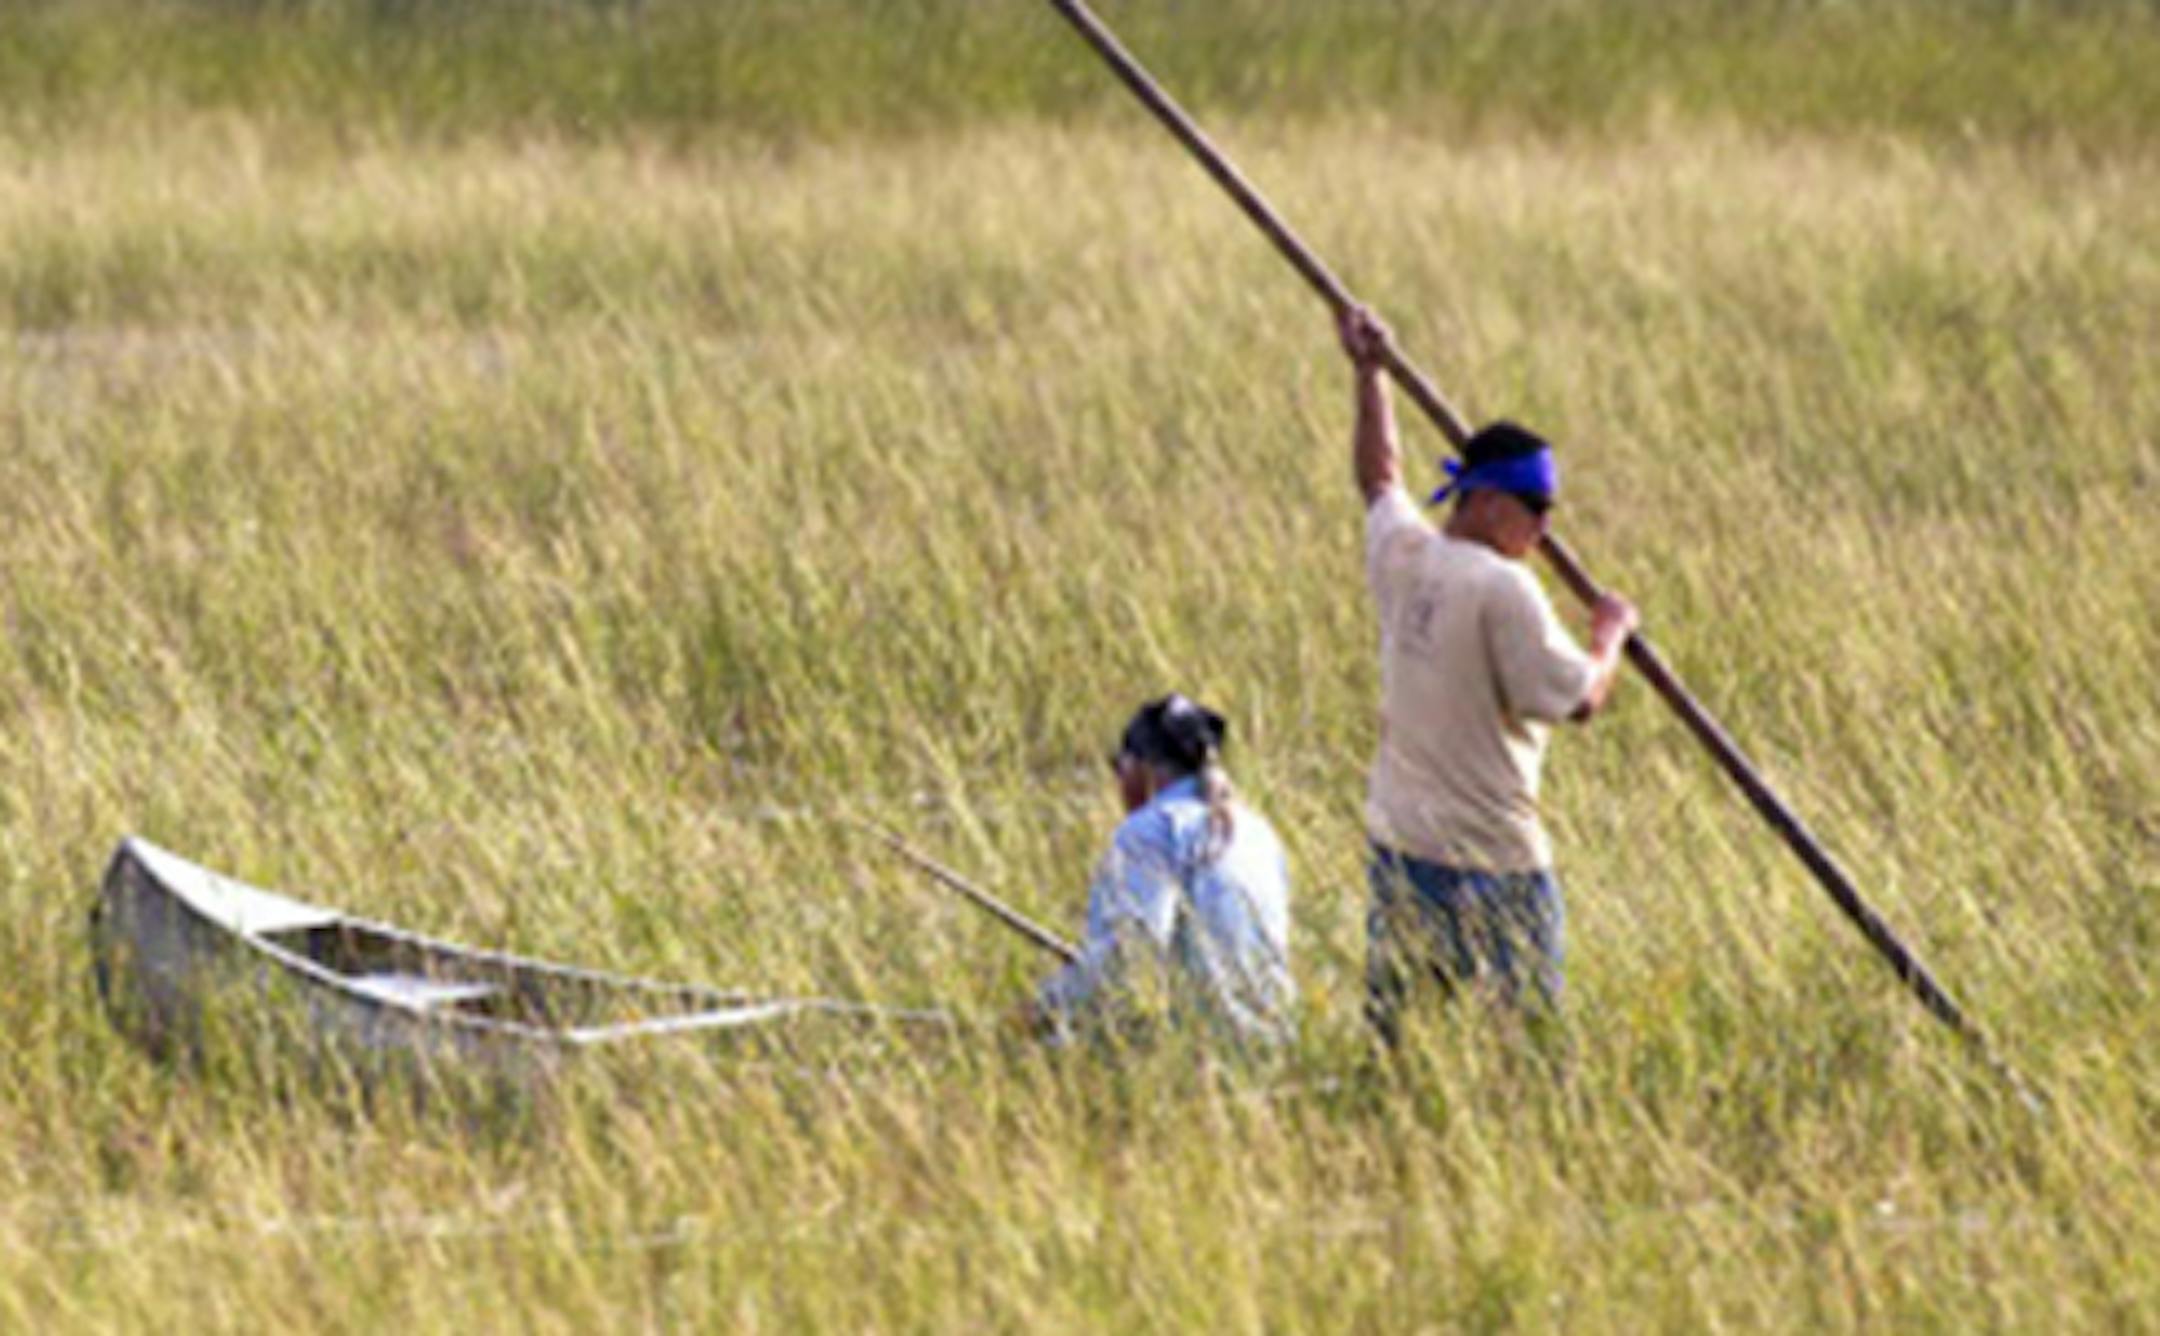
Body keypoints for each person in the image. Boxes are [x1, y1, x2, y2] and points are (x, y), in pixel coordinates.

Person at [1337, 305, 1638, 1046]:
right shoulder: (1504, 586)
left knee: (1398, 1046)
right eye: (1535, 509)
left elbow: (1380, 477)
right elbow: (1581, 700)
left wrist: (1369, 375)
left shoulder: (1405, 555)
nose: (1543, 529)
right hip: (1494, 861)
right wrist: (1611, 636)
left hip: (1403, 852)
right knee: (1532, 1054)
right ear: (1490, 501)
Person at [1029, 695, 1297, 1050]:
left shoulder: (1149, 831)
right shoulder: (1259, 831)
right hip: (1275, 1038)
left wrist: (1048, 1002)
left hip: (1203, 1049)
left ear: (1142, 767)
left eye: (1117, 766)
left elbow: (1127, 959)